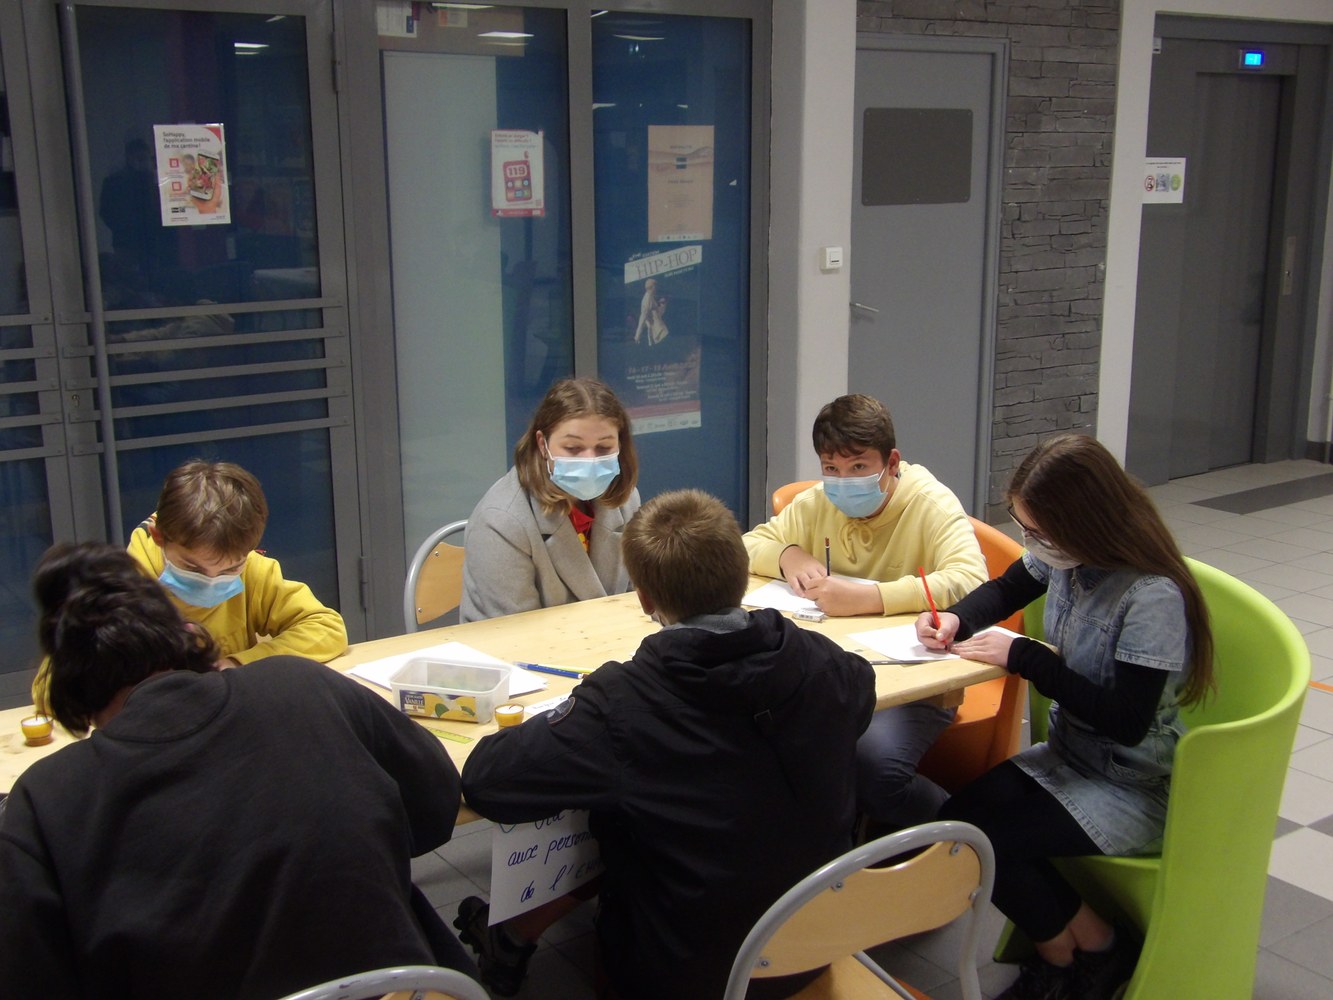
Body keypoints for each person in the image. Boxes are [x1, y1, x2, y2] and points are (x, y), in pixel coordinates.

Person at [0, 542, 475, 999]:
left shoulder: (46, 801)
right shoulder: (303, 685)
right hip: (404, 990)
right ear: (187, 636)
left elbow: (31, 979)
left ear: (73, 694)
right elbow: (435, 805)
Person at [456, 489, 876, 998]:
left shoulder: (622, 704)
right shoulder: (821, 660)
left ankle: (513, 936)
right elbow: (859, 701)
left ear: (645, 599)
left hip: (688, 973)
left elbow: (487, 783)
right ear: (743, 576)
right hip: (810, 946)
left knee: (610, 808)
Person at [922, 433, 1215, 1000]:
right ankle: (1097, 946)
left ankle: (1066, 959)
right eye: (1025, 528)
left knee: (992, 841)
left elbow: (1126, 722)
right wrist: (956, 618)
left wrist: (1024, 657)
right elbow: (1008, 586)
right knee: (960, 825)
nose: (1032, 543)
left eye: (1039, 532)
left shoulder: (1151, 596)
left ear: (1085, 524)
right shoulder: (1067, 553)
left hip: (1132, 783)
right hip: (1069, 756)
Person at [743, 393, 987, 828]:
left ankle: (970, 836)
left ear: (891, 462)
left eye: (858, 467)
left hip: (915, 680)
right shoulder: (819, 502)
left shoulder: (929, 503)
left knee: (873, 766)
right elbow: (746, 546)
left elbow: (972, 579)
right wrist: (788, 555)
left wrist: (872, 598)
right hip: (828, 669)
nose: (842, 481)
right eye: (831, 468)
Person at [30, 460, 347, 714]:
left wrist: (235, 664)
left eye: (230, 568)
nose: (211, 580)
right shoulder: (120, 588)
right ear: (159, 537)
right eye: (193, 568)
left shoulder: (254, 571)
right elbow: (49, 688)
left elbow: (326, 628)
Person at [461, 376, 641, 622]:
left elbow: (636, 602)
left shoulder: (626, 500)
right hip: (525, 643)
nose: (589, 460)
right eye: (573, 448)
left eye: (603, 448)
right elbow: (517, 632)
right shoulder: (501, 521)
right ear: (542, 445)